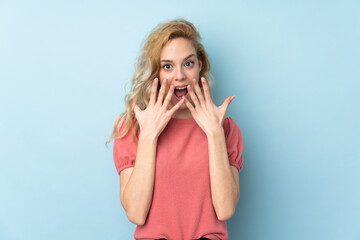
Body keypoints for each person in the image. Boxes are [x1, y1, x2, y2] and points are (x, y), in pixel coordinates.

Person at [107, 19, 244, 240]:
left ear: (200, 65)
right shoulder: (134, 127)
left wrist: (214, 133)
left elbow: (225, 209)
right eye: (167, 66)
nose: (179, 76)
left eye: (188, 63)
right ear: (156, 74)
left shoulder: (225, 128)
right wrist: (149, 135)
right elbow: (135, 213)